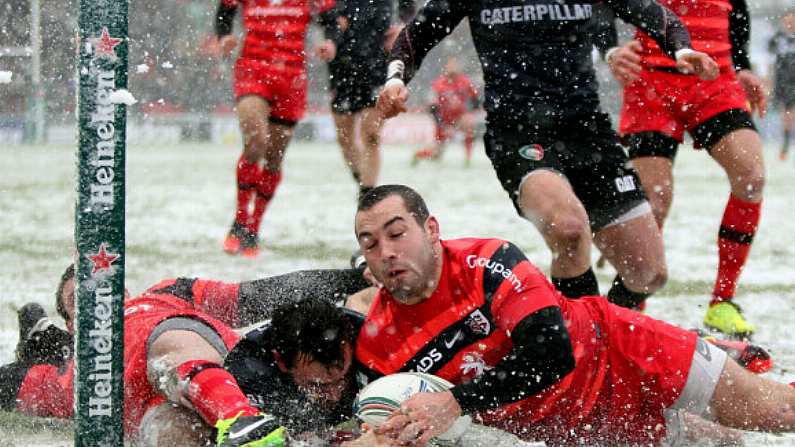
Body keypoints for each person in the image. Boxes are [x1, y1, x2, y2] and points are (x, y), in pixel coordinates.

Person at [352, 184, 795, 446]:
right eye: (370, 244)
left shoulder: (487, 262)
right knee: (726, 442)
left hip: (621, 351)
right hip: (584, 430)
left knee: (776, 412)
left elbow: (551, 353)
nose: (387, 252)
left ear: (430, 230)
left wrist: (455, 402)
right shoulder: (378, 346)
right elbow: (383, 421)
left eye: (397, 233)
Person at [376, 0, 720, 310]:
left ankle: (603, 334)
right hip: (518, 133)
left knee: (649, 273)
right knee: (569, 230)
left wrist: (680, 50)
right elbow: (416, 34)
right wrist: (395, 80)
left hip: (587, 131)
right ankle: (580, 352)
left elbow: (656, 16)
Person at [0, 265, 369, 446]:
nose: (99, 305)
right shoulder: (74, 381)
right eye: (79, 304)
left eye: (106, 292)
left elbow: (260, 295)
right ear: (72, 329)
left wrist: (354, 276)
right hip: (160, 412)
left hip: (218, 369)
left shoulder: (163, 295)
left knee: (169, 337)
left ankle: (239, 418)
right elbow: (9, 383)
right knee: (177, 429)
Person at [604, 0, 767, 337]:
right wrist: (610, 49)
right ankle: (630, 310)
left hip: (715, 79)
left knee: (751, 178)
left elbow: (736, 10)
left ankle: (722, 302)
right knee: (654, 202)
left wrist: (743, 65)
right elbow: (599, 8)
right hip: (650, 80)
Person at [215, 0, 341, 258]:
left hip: (290, 77)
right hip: (253, 69)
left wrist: (330, 42)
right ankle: (239, 221)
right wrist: (225, 35)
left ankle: (253, 229)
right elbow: (224, 11)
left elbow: (333, 20)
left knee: (274, 157)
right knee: (255, 143)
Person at [327, 0, 415, 198]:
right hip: (343, 66)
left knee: (371, 134)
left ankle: (367, 193)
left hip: (377, 64)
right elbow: (323, 14)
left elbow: (409, 6)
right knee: (344, 137)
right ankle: (362, 180)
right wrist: (330, 30)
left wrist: (402, 24)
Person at [411, 57, 480, 167]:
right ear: (445, 67)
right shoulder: (438, 84)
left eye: (455, 64)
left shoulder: (465, 82)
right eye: (450, 64)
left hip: (459, 117)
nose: (453, 67)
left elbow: (475, 100)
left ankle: (468, 159)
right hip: (443, 120)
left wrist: (470, 114)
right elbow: (432, 108)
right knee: (435, 155)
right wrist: (443, 126)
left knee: (469, 128)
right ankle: (417, 155)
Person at [769, 10, 795, 161]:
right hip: (783, 81)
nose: (790, 24)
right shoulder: (777, 39)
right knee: (786, 115)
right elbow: (770, 60)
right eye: (788, 21)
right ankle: (785, 146)